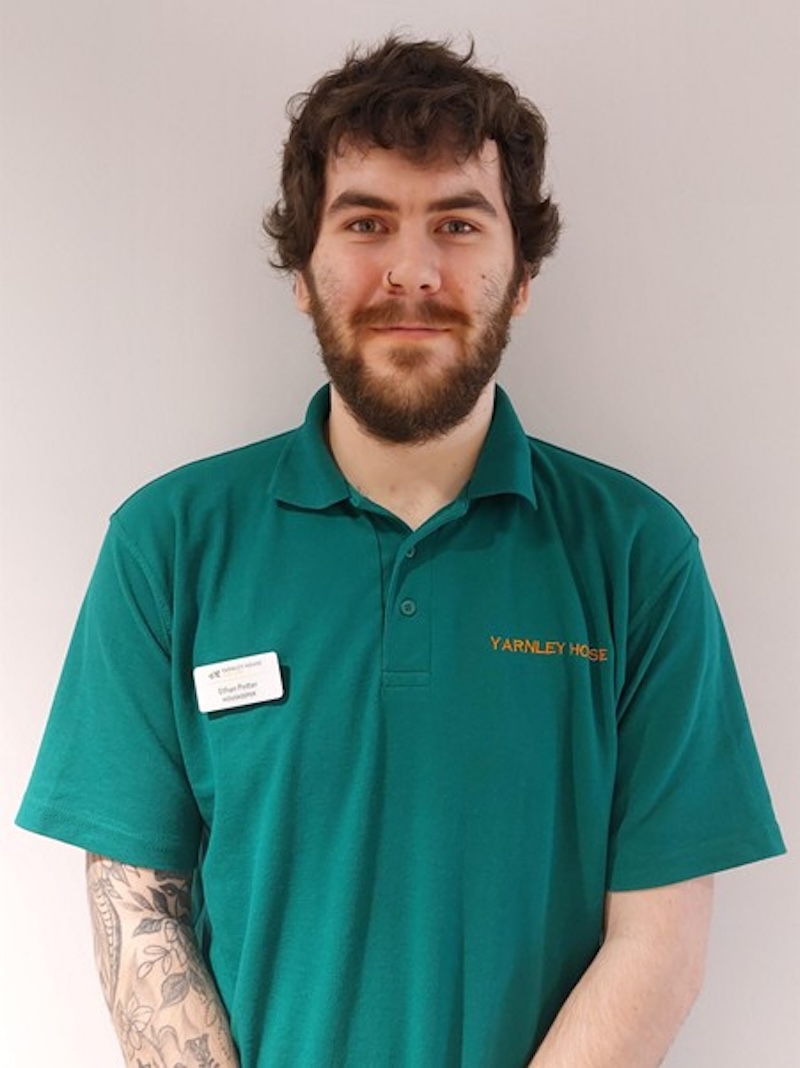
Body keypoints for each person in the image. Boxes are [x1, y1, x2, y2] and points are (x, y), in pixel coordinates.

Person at [17, 35, 785, 1068]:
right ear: (304, 270)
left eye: (458, 224)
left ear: (519, 277)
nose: (412, 272)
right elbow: (136, 914)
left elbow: (658, 941)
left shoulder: (634, 555)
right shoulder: (167, 545)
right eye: (366, 222)